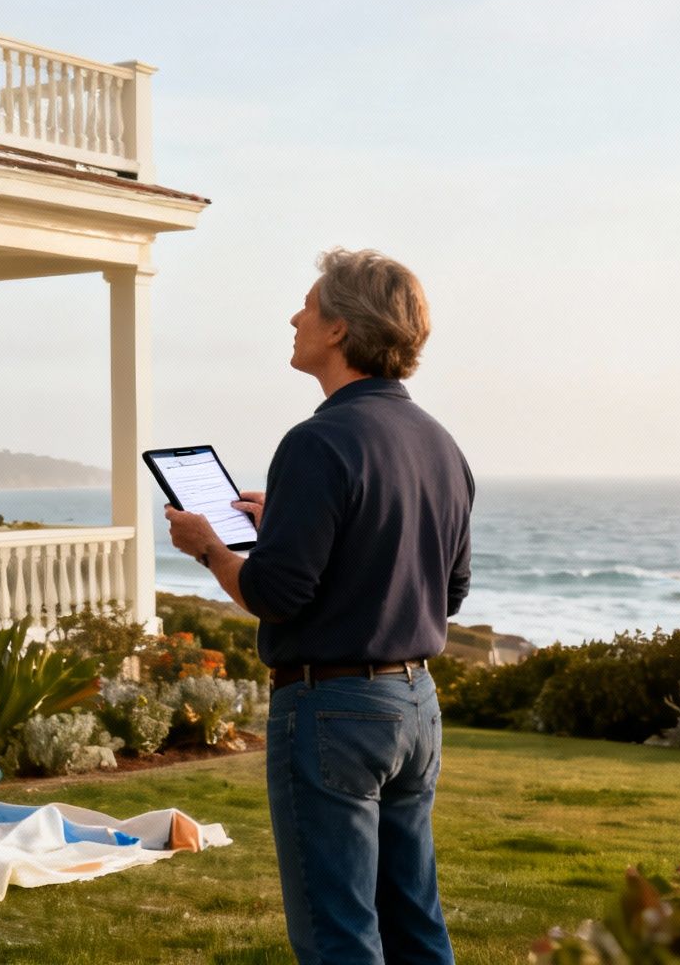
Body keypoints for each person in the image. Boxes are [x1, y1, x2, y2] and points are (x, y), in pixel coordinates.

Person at [164, 248, 473, 965]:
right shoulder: (439, 443)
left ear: (339, 329)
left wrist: (210, 548)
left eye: (308, 305)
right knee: (415, 923)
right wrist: (290, 528)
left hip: (330, 708)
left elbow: (274, 596)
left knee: (338, 933)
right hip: (415, 703)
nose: (295, 317)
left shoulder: (318, 441)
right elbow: (445, 590)